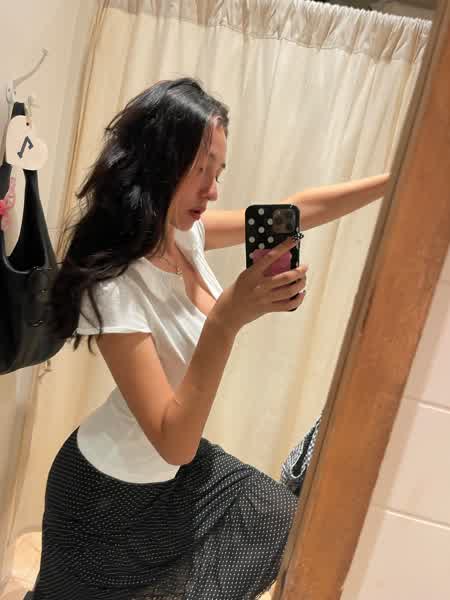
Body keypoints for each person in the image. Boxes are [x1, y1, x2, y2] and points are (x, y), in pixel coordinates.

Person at [33, 77, 389, 600]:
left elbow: (296, 209)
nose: (213, 189)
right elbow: (173, 441)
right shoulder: (114, 286)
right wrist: (227, 319)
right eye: (202, 170)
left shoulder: (184, 235)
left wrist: (396, 181)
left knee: (276, 513)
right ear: (160, 160)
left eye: (218, 172)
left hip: (170, 477)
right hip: (105, 498)